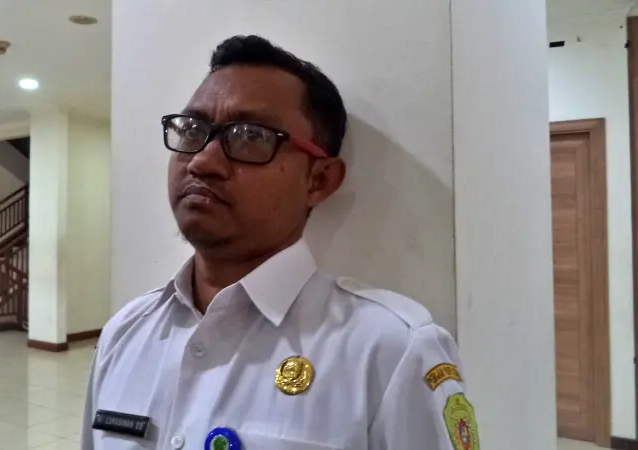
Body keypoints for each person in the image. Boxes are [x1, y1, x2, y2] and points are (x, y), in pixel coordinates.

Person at [82, 35, 478, 450]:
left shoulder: (393, 350)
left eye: (251, 137)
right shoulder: (125, 334)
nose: (202, 161)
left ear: (319, 179)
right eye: (192, 130)